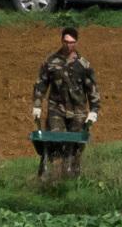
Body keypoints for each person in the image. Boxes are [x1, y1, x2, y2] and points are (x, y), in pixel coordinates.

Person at [29, 25, 98, 179]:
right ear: (62, 41)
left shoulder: (83, 65)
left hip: (78, 110)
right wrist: (37, 105)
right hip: (57, 108)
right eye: (66, 42)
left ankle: (72, 175)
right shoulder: (51, 61)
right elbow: (41, 84)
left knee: (75, 146)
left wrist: (94, 110)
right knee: (54, 139)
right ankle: (48, 175)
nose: (69, 45)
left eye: (72, 42)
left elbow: (92, 88)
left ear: (76, 43)